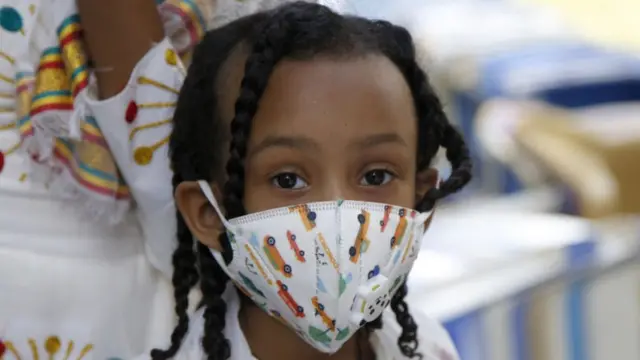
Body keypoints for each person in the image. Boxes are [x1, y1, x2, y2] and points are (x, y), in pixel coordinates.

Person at [148, 3, 470, 359]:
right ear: (210, 213)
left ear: (422, 201)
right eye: (288, 179)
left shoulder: (429, 347)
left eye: (375, 176)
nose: (336, 213)